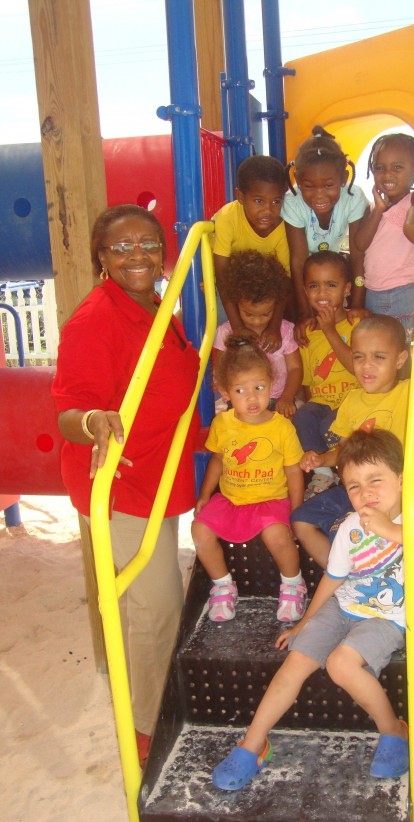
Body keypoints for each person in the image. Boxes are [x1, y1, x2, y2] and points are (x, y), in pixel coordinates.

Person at [211, 429, 414, 791]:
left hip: (387, 618)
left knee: (340, 663)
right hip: (344, 607)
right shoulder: (351, 527)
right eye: (354, 486)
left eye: (376, 481)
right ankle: (253, 744)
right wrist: (303, 623)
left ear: (402, 479)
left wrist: (392, 529)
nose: (365, 494)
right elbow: (334, 578)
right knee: (295, 661)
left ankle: (393, 731)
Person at [52, 204, 202, 768]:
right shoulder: (96, 320)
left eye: (147, 244)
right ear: (102, 257)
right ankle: (145, 730)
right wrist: (93, 422)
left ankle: (157, 705)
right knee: (156, 608)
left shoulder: (156, 308)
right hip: (119, 483)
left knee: (160, 604)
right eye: (122, 247)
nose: (136, 255)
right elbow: (68, 411)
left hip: (158, 473)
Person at [292, 314, 414, 569]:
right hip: (355, 489)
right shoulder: (352, 401)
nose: (367, 366)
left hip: (389, 493)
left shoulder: (408, 392)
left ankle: (361, 568)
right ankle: (344, 577)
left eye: (379, 357)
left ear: (399, 360)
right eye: (359, 357)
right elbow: (343, 452)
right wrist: (321, 458)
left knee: (347, 530)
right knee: (301, 520)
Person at [192, 334, 306, 623]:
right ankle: (222, 586)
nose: (252, 397)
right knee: (200, 531)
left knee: (276, 535)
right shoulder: (223, 424)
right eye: (241, 390)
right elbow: (217, 460)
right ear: (225, 393)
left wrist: (295, 510)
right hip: (232, 499)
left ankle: (293, 584)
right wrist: (206, 494)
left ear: (272, 383)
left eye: (259, 387)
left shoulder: (282, 428)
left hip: (270, 500)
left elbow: (293, 470)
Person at [352, 133, 414, 339]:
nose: (387, 174)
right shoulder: (372, 209)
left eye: (397, 167)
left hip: (404, 290)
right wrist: (379, 209)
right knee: (381, 345)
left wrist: (409, 227)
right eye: (380, 168)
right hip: (373, 292)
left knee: (402, 344)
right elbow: (360, 243)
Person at [282, 126, 368, 325]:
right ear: (298, 182)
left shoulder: (353, 198)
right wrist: (304, 314)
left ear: (343, 179)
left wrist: (356, 304)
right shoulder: (292, 202)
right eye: (309, 187)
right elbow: (298, 261)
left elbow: (357, 255)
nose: (319, 195)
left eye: (328, 185)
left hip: (336, 266)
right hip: (305, 274)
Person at [292, 251, 359, 499]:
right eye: (314, 286)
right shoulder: (307, 334)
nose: (322, 293)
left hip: (351, 404)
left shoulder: (357, 325)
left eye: (331, 285)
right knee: (305, 416)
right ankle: (323, 471)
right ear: (305, 290)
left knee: (329, 423)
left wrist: (330, 330)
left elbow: (357, 367)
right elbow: (309, 382)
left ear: (347, 289)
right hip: (323, 403)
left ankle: (344, 465)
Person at [211, 154, 290, 351]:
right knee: (222, 326)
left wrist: (274, 326)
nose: (268, 211)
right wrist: (237, 327)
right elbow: (221, 276)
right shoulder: (227, 218)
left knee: (267, 319)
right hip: (226, 281)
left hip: (260, 283)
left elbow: (284, 281)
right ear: (240, 197)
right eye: (258, 201)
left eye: (275, 202)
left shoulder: (284, 226)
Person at [213, 250, 302, 418]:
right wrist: (225, 391)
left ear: (276, 306)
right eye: (249, 314)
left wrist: (287, 397)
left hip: (278, 401)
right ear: (236, 303)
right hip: (241, 402)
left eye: (265, 314)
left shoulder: (285, 331)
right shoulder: (226, 333)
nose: (257, 321)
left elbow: (295, 368)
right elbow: (220, 369)